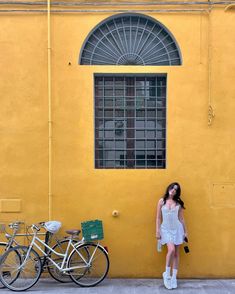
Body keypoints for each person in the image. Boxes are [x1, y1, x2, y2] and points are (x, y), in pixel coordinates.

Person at [156, 182, 188, 290]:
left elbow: (181, 218)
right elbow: (158, 218)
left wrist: (185, 232)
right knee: (171, 250)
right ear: (169, 188)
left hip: (177, 229)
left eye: (176, 189)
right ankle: (167, 274)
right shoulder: (161, 201)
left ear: (177, 192)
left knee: (176, 254)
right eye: (172, 188)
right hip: (165, 229)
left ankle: (174, 277)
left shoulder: (178, 203)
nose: (173, 190)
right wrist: (157, 231)